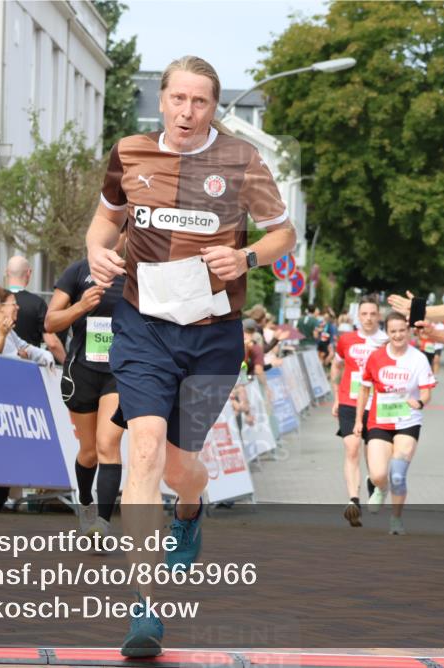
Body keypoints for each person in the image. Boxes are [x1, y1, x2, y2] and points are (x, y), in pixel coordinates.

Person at [85, 55, 296, 657]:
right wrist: (98, 252)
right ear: (162, 98)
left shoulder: (241, 160)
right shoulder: (129, 152)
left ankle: (193, 506)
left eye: (199, 102)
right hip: (142, 323)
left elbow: (284, 234)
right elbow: (105, 222)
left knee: (183, 468)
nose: (186, 111)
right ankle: (144, 610)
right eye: (177, 98)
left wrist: (249, 258)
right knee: (143, 448)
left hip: (214, 332)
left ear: (213, 106)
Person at [45, 241, 127, 539]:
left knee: (108, 446)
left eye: (121, 232)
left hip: (119, 373)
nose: (113, 240)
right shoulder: (79, 271)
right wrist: (81, 306)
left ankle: (103, 524)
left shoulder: (137, 273)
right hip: (83, 370)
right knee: (90, 452)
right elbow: (51, 321)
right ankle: (85, 503)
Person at [354, 312, 436, 536]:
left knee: (398, 475)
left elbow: (426, 393)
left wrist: (419, 402)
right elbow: (363, 389)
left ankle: (396, 519)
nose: (398, 335)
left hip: (408, 421)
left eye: (402, 330)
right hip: (379, 421)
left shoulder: (418, 358)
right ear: (387, 333)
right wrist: (358, 421)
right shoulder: (376, 357)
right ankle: (380, 487)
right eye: (393, 331)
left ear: (408, 331)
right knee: (379, 474)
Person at [330, 294, 388, 526]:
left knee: (373, 455)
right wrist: (336, 397)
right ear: (358, 316)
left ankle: (373, 480)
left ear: (379, 316)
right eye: (364, 314)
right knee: (351, 448)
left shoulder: (386, 341)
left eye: (373, 314)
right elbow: (336, 366)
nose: (368, 318)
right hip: (348, 400)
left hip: (376, 403)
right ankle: (354, 500)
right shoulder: (346, 340)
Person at [6, 255, 66, 364]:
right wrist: (67, 367)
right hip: (27, 367)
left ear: (7, 272)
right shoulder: (37, 304)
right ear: (29, 273)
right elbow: (52, 343)